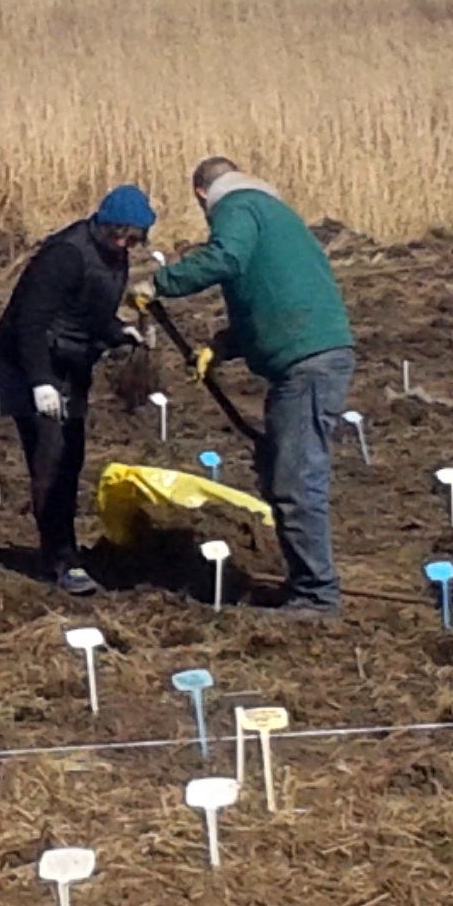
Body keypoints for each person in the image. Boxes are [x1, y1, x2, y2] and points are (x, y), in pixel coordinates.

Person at [147, 157, 355, 616]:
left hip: (308, 363)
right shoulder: (273, 213)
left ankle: (318, 596)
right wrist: (221, 347)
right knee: (282, 472)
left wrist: (159, 283)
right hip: (311, 356)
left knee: (295, 480)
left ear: (201, 194)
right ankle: (306, 582)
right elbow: (270, 297)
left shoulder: (237, 206)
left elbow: (226, 259)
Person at [0, 186, 156, 596]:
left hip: (71, 365)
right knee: (52, 462)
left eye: (133, 239)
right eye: (119, 235)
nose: (124, 244)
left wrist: (120, 331)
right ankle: (61, 560)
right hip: (31, 366)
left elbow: (88, 312)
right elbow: (30, 321)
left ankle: (63, 550)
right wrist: (40, 382)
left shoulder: (112, 256)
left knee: (71, 459)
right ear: (104, 224)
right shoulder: (65, 255)